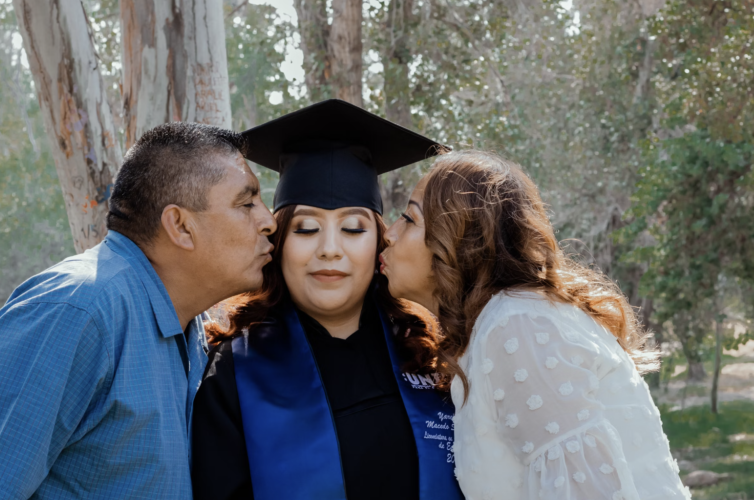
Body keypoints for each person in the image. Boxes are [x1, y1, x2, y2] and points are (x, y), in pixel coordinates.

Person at [0, 123, 277, 500]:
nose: (269, 221)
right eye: (246, 204)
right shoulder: (74, 311)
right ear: (180, 226)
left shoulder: (193, 326)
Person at [190, 100, 463, 500]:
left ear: (380, 245)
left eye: (353, 228)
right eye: (306, 229)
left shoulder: (432, 354)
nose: (330, 249)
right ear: (278, 244)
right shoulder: (235, 373)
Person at [380, 149, 690, 499]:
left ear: (459, 239)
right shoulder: (502, 324)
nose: (389, 233)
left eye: (408, 218)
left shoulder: (518, 327)